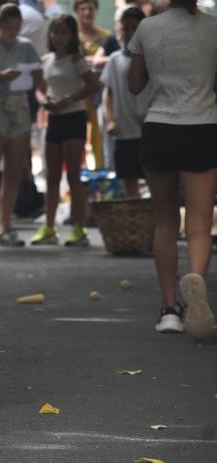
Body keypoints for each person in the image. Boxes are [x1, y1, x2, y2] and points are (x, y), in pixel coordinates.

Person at [127, 0, 217, 337]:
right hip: (204, 126)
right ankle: (195, 289)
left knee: (165, 220)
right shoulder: (214, 28)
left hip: (161, 126)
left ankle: (168, 310)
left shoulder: (147, 28)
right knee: (199, 221)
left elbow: (134, 84)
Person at [0, 3, 42, 247]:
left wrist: (40, 88)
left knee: (14, 173)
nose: (12, 32)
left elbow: (38, 75)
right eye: (8, 27)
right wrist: (3, 76)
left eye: (16, 28)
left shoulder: (25, 46)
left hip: (20, 107)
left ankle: (5, 225)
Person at [31, 14, 98, 247]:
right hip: (55, 119)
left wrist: (69, 99)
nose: (58, 37)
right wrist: (44, 100)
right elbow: (39, 88)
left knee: (73, 176)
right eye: (55, 32)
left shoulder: (76, 59)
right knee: (52, 176)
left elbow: (92, 85)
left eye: (63, 32)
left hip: (75, 118)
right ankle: (49, 227)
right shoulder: (46, 59)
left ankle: (79, 228)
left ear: (71, 35)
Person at [100, 7, 148, 198]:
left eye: (134, 29)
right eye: (125, 29)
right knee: (130, 179)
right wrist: (111, 120)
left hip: (146, 130)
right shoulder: (114, 60)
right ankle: (135, 221)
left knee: (153, 176)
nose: (129, 34)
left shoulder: (151, 59)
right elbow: (108, 94)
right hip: (124, 130)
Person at [74, 0, 108, 169]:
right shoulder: (71, 38)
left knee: (99, 131)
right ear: (76, 11)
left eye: (91, 8)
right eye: (83, 8)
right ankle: (79, 172)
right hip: (77, 91)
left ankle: (102, 170)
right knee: (76, 133)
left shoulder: (105, 36)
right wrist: (95, 61)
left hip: (100, 91)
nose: (87, 12)